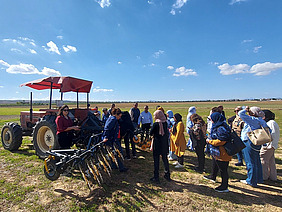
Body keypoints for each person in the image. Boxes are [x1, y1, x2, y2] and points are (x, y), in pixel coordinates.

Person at [238, 106, 267, 187]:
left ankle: (251, 180)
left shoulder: (252, 120)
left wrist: (245, 110)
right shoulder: (261, 120)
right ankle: (258, 178)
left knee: (250, 161)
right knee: (256, 160)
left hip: (249, 141)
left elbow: (240, 114)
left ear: (253, 113)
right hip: (258, 142)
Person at [204, 112, 232, 193]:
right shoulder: (221, 125)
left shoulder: (220, 128)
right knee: (219, 167)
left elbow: (222, 140)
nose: (211, 120)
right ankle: (214, 177)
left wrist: (210, 141)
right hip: (218, 152)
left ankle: (224, 186)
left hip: (222, 152)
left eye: (212, 119)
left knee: (223, 170)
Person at [102, 108, 128, 172]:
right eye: (119, 116)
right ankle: (120, 167)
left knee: (114, 152)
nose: (120, 117)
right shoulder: (112, 120)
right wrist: (105, 137)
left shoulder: (113, 119)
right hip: (111, 139)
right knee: (119, 152)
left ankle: (114, 166)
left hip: (113, 139)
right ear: (116, 114)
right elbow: (107, 128)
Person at [150, 110, 170, 183]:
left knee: (156, 161)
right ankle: (167, 174)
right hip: (164, 143)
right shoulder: (165, 123)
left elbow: (151, 132)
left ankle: (156, 177)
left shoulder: (156, 124)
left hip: (157, 144)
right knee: (165, 159)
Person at [260, 110, 280, 181]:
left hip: (269, 145)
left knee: (263, 161)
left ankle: (263, 177)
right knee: (271, 162)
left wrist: (268, 144)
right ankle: (273, 177)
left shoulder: (271, 123)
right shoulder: (271, 122)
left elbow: (272, 134)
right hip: (271, 145)